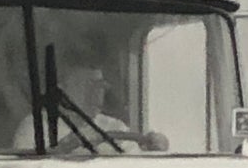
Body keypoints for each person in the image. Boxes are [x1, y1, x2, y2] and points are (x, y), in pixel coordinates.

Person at [12, 63, 166, 154]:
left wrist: (153, 151)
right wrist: (68, 146)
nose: (96, 94)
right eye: (86, 86)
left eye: (100, 87)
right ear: (61, 91)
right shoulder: (35, 127)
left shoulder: (115, 127)